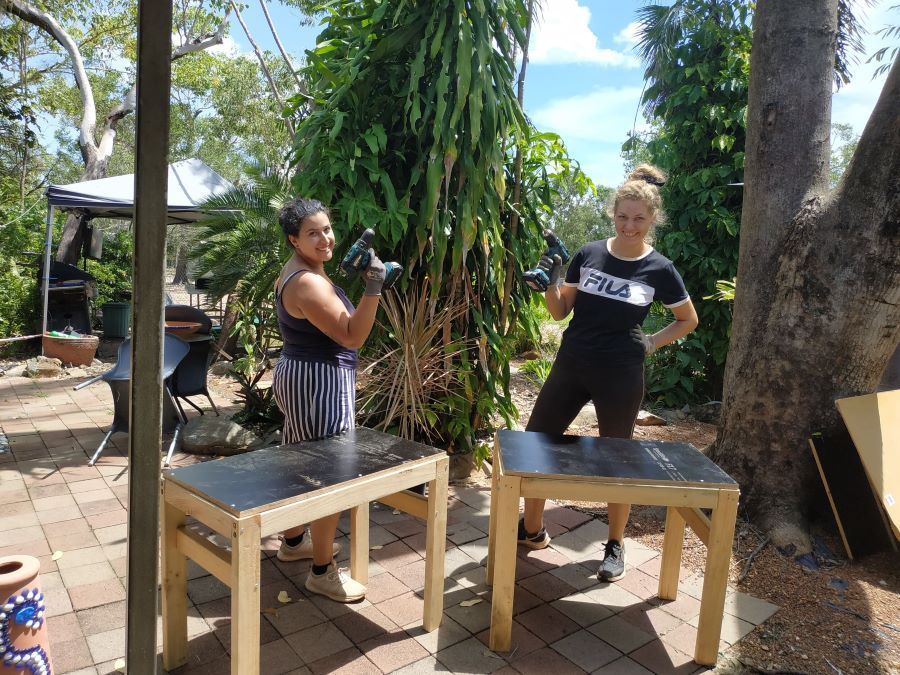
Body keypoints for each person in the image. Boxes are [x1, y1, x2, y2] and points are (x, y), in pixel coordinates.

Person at [519, 165, 699, 582]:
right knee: (534, 443)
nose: (629, 225)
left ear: (652, 218)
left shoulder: (660, 269)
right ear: (612, 214)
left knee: (618, 459)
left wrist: (650, 342)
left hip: (620, 372)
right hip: (572, 363)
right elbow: (561, 311)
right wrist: (549, 283)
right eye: (622, 216)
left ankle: (615, 544)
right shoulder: (589, 254)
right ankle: (531, 531)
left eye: (638, 218)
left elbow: (687, 319)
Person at [271, 197, 386, 602]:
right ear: (293, 239)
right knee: (329, 473)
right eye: (312, 233)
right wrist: (374, 285)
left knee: (301, 462)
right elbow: (352, 335)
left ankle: (293, 541)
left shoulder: (298, 272)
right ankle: (322, 571)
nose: (325, 239)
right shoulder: (308, 282)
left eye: (327, 229)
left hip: (300, 374)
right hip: (320, 380)